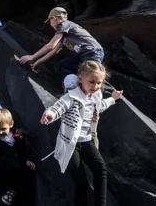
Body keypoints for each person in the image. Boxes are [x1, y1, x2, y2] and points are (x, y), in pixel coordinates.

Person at [40, 61, 123, 206]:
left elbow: (100, 107)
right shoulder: (71, 97)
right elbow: (58, 107)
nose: (95, 86)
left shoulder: (95, 96)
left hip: (86, 140)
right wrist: (50, 115)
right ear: (80, 79)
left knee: (100, 169)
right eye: (91, 82)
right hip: (70, 144)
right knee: (81, 181)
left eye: (99, 83)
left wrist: (113, 98)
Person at [18, 7, 104, 77]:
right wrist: (37, 63)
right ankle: (76, 83)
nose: (50, 24)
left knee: (89, 74)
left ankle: (93, 88)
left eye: (50, 21)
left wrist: (32, 57)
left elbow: (51, 45)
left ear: (54, 18)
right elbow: (54, 51)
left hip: (92, 52)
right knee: (60, 66)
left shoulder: (64, 25)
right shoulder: (65, 34)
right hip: (82, 55)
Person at [0, 109, 36, 206]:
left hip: (19, 169)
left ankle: (14, 193)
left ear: (11, 124)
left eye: (3, 129)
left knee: (26, 184)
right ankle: (8, 192)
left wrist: (27, 159)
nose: (0, 132)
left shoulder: (16, 135)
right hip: (4, 170)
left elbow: (23, 150)